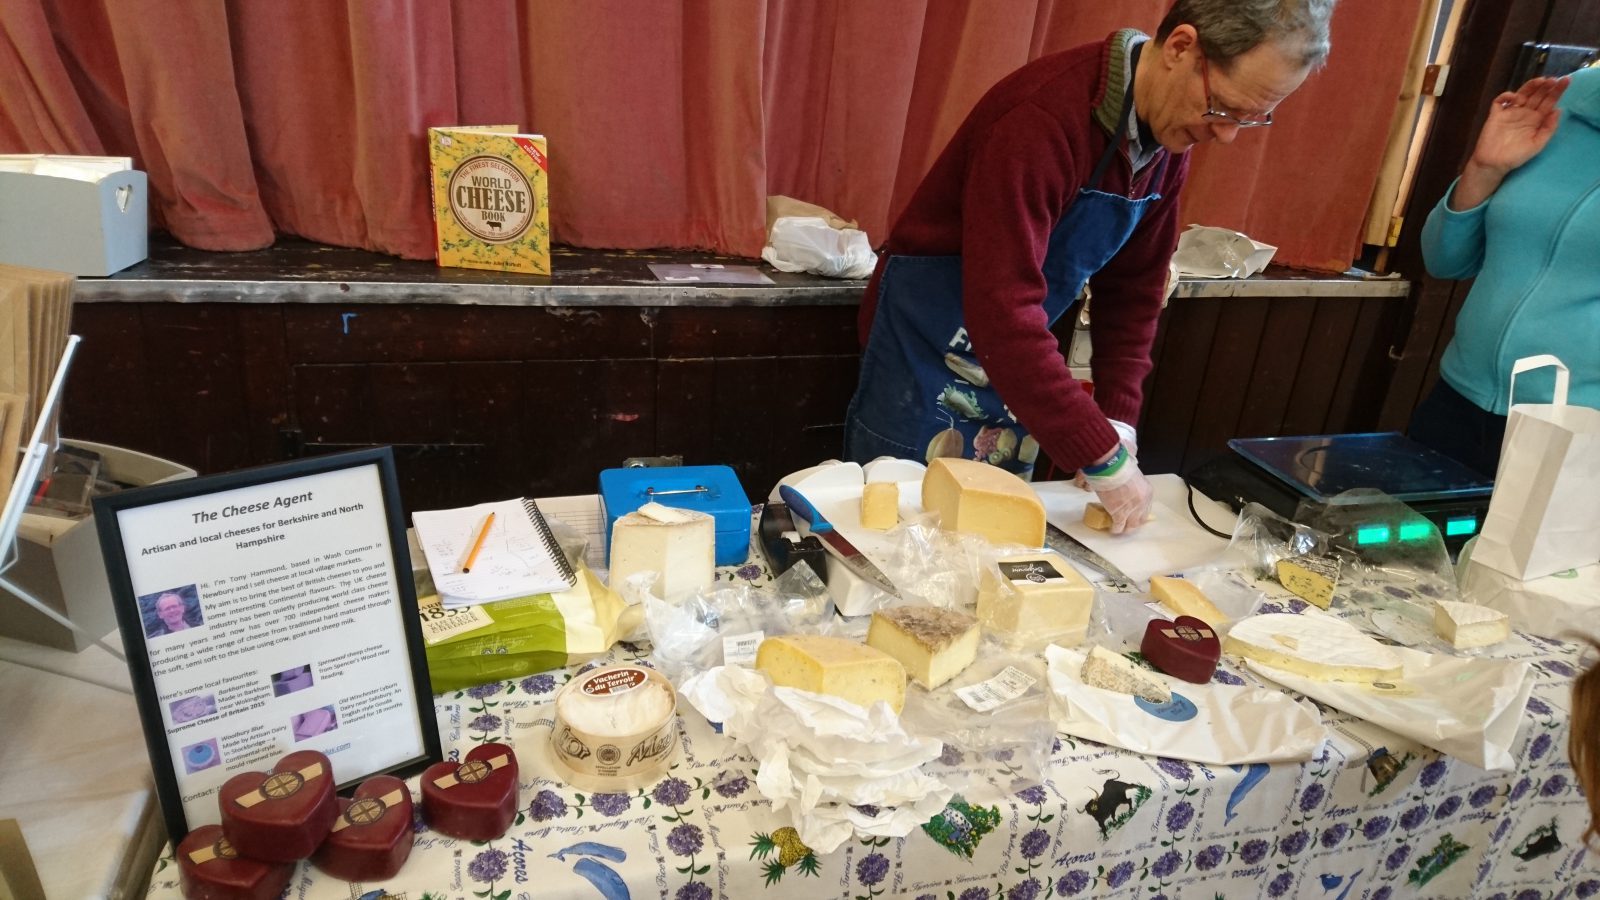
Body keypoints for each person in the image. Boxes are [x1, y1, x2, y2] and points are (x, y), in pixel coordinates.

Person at [843, 0, 1334, 533]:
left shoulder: (1166, 138)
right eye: (1224, 109)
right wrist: (1100, 455)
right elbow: (1003, 310)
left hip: (1013, 369)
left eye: (1251, 119)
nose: (1227, 135)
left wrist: (1119, 421)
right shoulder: (1041, 120)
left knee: (988, 540)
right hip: (924, 354)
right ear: (1180, 48)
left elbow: (1133, 295)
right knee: (902, 533)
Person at [1410, 64, 1599, 478]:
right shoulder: (1566, 99)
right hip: (1457, 402)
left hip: (1578, 432)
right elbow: (1444, 261)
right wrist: (1484, 169)